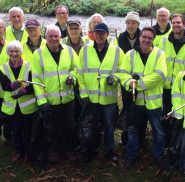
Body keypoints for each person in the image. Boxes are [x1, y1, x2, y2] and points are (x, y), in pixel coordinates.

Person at [117, 27, 167, 169]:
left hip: (154, 103)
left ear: (153, 40)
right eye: (144, 37)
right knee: (133, 129)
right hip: (136, 102)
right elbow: (122, 74)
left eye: (150, 38)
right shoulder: (130, 55)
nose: (146, 40)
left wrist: (138, 84)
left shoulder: (159, 54)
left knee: (158, 131)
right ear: (139, 37)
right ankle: (131, 156)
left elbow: (160, 75)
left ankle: (158, 156)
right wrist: (129, 82)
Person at [31, 25, 78, 163]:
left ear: (60, 37)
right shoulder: (38, 54)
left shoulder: (69, 51)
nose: (53, 39)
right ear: (45, 38)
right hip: (50, 100)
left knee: (69, 126)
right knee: (52, 128)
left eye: (56, 36)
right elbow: (36, 80)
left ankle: (68, 150)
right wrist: (42, 102)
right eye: (50, 36)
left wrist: (72, 78)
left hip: (68, 98)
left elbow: (76, 69)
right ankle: (54, 151)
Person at [77, 23, 124, 162]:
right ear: (92, 34)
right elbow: (80, 74)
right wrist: (84, 95)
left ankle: (109, 152)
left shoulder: (117, 51)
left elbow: (123, 70)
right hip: (91, 98)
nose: (99, 35)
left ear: (107, 35)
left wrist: (114, 78)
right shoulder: (84, 50)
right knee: (92, 126)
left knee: (109, 127)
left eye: (102, 33)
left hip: (108, 99)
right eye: (96, 33)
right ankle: (92, 150)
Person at [159, 13, 185, 146]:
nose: (175, 25)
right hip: (165, 86)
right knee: (166, 114)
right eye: (173, 23)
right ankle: (166, 142)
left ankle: (178, 143)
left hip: (181, 87)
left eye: (178, 22)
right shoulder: (163, 41)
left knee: (179, 115)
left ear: (184, 25)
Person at [0, 40, 37, 162]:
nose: (14, 54)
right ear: (8, 53)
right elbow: (4, 85)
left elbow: (33, 86)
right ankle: (18, 151)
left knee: (28, 130)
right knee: (15, 131)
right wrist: (12, 86)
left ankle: (28, 152)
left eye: (16, 51)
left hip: (27, 106)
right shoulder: (3, 68)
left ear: (20, 52)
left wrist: (23, 91)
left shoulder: (29, 66)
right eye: (11, 51)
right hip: (12, 106)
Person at [116, 11, 141, 145]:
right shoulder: (121, 37)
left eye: (134, 23)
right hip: (126, 78)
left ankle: (138, 134)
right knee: (127, 105)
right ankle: (125, 134)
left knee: (138, 106)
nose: (131, 25)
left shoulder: (143, 36)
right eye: (129, 23)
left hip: (139, 78)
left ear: (137, 24)